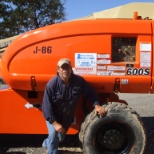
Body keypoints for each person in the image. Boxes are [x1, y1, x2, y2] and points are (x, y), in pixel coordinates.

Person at [42, 58, 106, 154]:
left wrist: (97, 105)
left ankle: (46, 143)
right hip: (53, 117)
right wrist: (55, 123)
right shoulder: (52, 84)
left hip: (67, 118)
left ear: (71, 69)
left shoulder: (79, 81)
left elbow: (90, 93)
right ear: (58, 70)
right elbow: (46, 106)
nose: (65, 70)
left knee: (60, 137)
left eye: (67, 67)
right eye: (62, 68)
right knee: (53, 133)